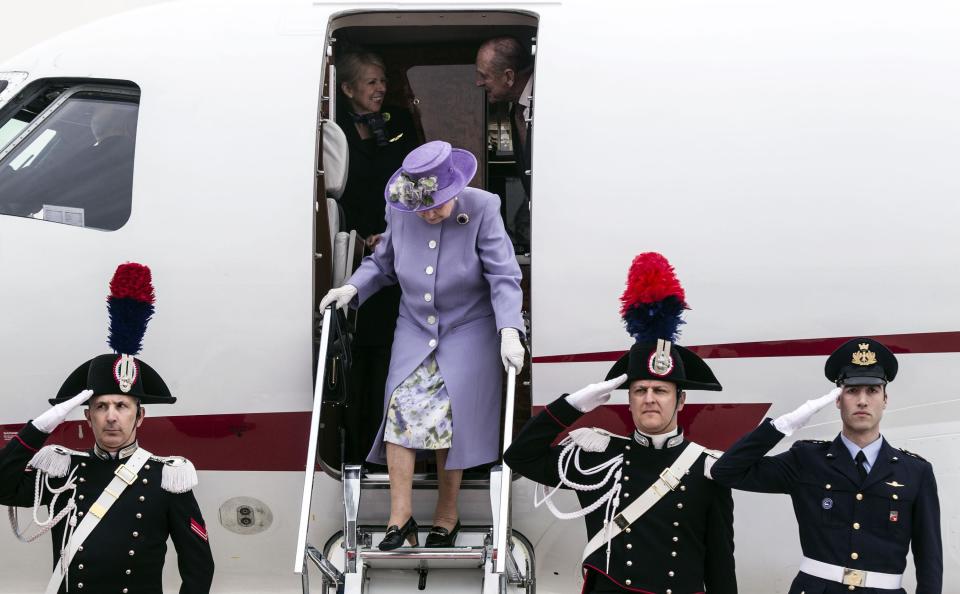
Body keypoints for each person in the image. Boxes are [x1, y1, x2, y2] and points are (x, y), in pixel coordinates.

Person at [319, 140, 525, 550]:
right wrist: (350, 288)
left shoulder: (482, 207)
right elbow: (383, 263)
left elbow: (503, 275)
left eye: (438, 204)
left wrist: (509, 329)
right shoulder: (400, 207)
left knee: (448, 412)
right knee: (401, 405)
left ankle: (446, 515)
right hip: (415, 325)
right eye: (423, 206)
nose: (428, 213)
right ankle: (401, 518)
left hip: (469, 326)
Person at [504, 252, 737, 593]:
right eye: (640, 390)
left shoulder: (707, 468)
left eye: (660, 390)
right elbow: (520, 456)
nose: (649, 398)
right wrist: (571, 406)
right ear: (628, 400)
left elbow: (720, 565)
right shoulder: (599, 456)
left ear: (681, 399)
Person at [0, 263, 214, 594]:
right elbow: (3, 486)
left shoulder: (168, 478)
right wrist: (39, 427)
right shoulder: (63, 471)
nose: (111, 416)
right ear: (88, 417)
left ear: (139, 417)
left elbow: (199, 568)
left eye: (122, 406)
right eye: (101, 407)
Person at [711, 337, 942, 593]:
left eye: (872, 390)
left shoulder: (915, 472)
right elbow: (726, 472)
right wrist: (784, 425)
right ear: (837, 399)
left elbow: (929, 559)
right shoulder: (807, 460)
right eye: (852, 391)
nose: (862, 400)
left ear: (885, 399)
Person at [334, 50, 419, 465]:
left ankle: (394, 446)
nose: (380, 89)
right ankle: (361, 447)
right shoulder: (335, 130)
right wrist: (360, 233)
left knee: (391, 351)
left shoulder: (399, 122)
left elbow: (415, 177)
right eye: (370, 82)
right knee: (360, 355)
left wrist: (394, 230)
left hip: (398, 248)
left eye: (382, 80)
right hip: (354, 254)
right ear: (348, 89)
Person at [475, 35, 534, 249]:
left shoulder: (548, 102)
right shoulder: (516, 110)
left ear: (508, 77)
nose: (478, 83)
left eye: (484, 76)